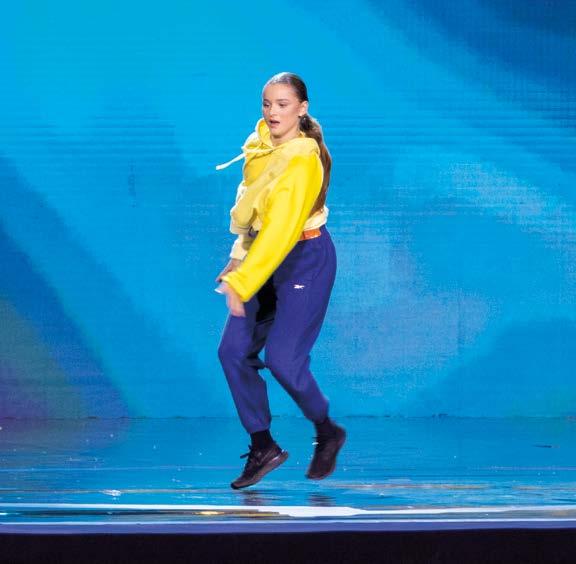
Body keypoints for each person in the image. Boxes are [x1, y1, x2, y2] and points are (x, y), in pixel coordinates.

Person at [215, 72, 346, 490]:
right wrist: (238, 258)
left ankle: (327, 430)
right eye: (267, 104)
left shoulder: (302, 159)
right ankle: (263, 446)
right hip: (261, 259)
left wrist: (245, 281)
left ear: (302, 108)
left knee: (284, 361)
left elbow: (281, 231)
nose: (272, 112)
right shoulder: (261, 144)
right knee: (232, 352)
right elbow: (252, 208)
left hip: (304, 260)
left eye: (283, 104)